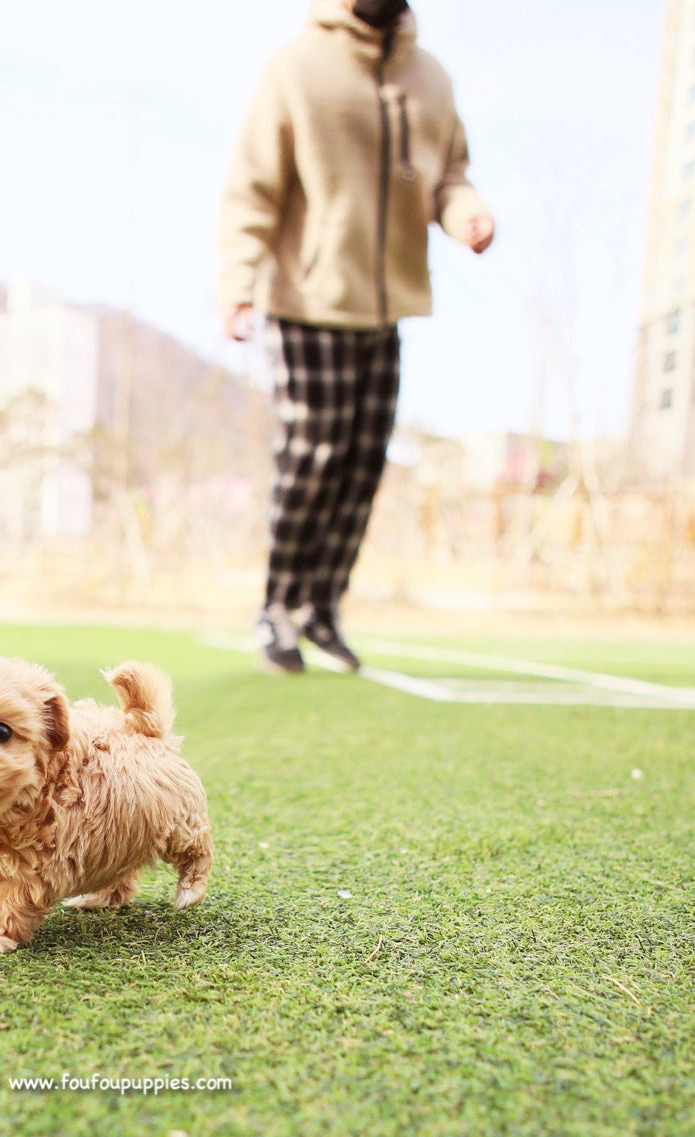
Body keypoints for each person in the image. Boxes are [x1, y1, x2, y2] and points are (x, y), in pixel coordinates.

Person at [217, 0, 494, 673]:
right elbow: (252, 187)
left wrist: (465, 212)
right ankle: (278, 609)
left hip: (387, 304)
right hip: (308, 296)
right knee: (313, 455)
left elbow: (450, 174)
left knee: (361, 467)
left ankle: (323, 607)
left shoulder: (430, 76)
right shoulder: (296, 67)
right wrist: (237, 280)